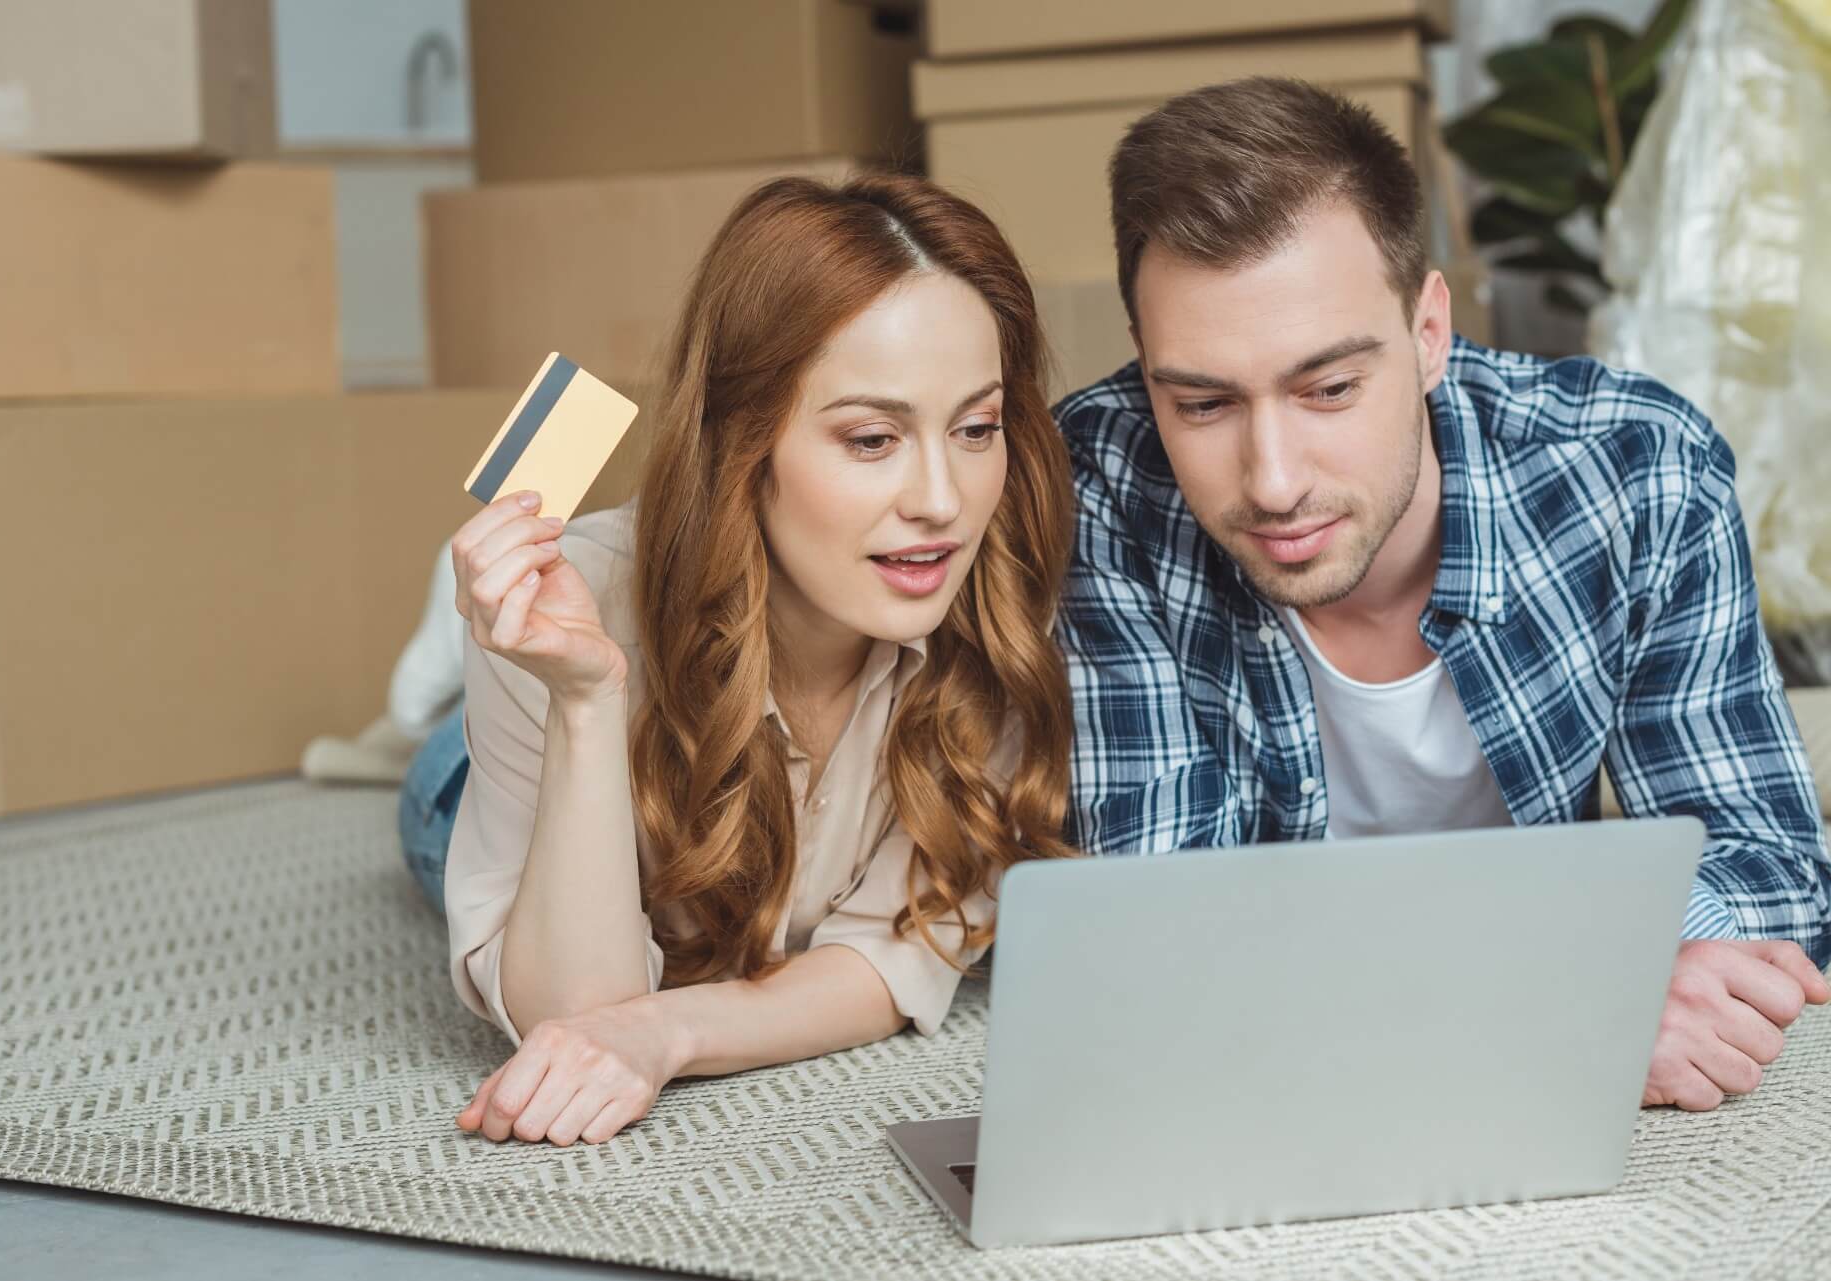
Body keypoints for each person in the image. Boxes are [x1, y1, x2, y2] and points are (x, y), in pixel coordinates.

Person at [1055, 77, 1831, 1113]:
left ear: (1429, 333)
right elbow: (1153, 934)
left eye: (1329, 389)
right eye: (1201, 402)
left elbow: (1772, 872)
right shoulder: (1094, 485)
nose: (1273, 478)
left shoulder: (1637, 470)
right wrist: (1573, 990)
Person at [401, 172, 1076, 1146]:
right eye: (873, 438)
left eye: (976, 429)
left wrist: (669, 1031)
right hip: (496, 760)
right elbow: (571, 1024)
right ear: (740, 442)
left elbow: (887, 963)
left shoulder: (998, 604)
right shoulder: (585, 609)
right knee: (431, 798)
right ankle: (441, 662)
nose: (942, 499)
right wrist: (585, 700)